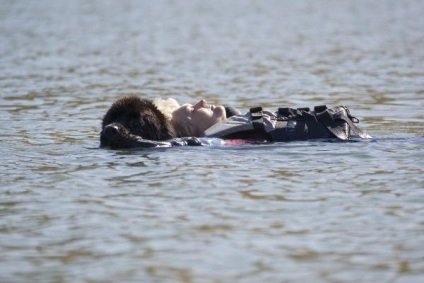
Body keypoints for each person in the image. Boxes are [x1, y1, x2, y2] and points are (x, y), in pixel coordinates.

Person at [100, 96, 371, 149]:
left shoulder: (235, 119)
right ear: (196, 129)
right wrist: (129, 140)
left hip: (350, 137)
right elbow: (174, 145)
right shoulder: (212, 140)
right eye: (193, 111)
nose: (201, 103)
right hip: (351, 146)